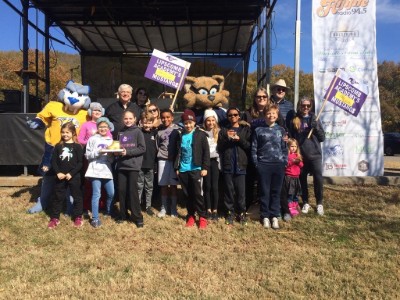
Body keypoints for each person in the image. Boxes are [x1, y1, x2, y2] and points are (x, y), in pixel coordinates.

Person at [251, 104, 288, 230]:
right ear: (265, 115)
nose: (271, 115)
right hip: (264, 165)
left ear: (277, 115)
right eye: (269, 113)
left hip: (278, 165)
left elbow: (284, 148)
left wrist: (284, 161)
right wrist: (257, 164)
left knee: (276, 192)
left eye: (273, 113)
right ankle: (265, 216)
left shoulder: (281, 130)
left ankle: (274, 216)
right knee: (264, 191)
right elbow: (254, 148)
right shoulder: (258, 130)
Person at [288, 97, 325, 216]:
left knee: (318, 179)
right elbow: (292, 137)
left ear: (311, 106)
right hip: (302, 155)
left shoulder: (315, 118)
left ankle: (319, 203)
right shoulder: (295, 120)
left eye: (308, 106)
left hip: (315, 155)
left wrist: (316, 128)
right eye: (303, 105)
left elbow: (322, 138)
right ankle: (305, 202)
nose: (305, 108)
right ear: (299, 106)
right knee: (302, 180)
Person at [175, 109, 210, 229]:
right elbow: (178, 152)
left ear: (194, 122)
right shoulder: (181, 135)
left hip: (196, 168)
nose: (188, 125)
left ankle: (203, 216)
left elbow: (206, 152)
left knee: (197, 194)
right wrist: (177, 167)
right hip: (184, 169)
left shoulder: (200, 134)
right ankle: (190, 215)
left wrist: (205, 167)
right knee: (187, 194)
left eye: (190, 122)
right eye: (185, 123)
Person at [217, 107, 251, 226]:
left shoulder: (245, 130)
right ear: (227, 117)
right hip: (227, 165)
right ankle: (230, 213)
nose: (233, 117)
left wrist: (239, 139)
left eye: (235, 115)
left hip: (241, 165)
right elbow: (219, 148)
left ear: (239, 116)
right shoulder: (223, 130)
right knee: (229, 191)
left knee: (241, 192)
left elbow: (249, 146)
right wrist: (227, 138)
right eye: (230, 115)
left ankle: (241, 213)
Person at [47, 122, 84, 229]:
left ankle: (77, 217)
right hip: (60, 177)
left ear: (73, 133)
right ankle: (54, 218)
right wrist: (58, 172)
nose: (65, 134)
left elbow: (80, 163)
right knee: (58, 197)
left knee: (77, 197)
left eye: (67, 132)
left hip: (74, 176)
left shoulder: (77, 147)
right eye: (63, 132)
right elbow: (53, 161)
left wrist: (71, 174)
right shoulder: (58, 146)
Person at [115, 111, 146, 227]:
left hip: (133, 166)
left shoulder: (138, 132)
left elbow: (142, 148)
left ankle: (137, 216)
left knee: (132, 192)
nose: (128, 121)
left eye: (130, 118)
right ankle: (123, 215)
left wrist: (128, 152)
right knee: (122, 191)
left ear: (135, 119)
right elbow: (118, 147)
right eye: (126, 119)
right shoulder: (121, 132)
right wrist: (116, 152)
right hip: (121, 166)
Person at [84, 117, 115, 228]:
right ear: (97, 128)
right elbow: (87, 156)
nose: (103, 129)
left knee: (111, 193)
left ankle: (108, 211)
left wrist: (112, 155)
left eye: (105, 127)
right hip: (95, 171)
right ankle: (95, 218)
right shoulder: (92, 139)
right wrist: (98, 152)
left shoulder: (110, 141)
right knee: (97, 194)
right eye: (101, 127)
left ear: (108, 128)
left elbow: (111, 160)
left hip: (107, 171)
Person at [156, 108, 180, 218]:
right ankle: (163, 207)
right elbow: (157, 145)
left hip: (173, 161)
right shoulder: (159, 131)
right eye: (163, 117)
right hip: (162, 160)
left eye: (168, 117)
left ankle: (173, 208)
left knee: (174, 185)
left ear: (172, 118)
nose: (165, 119)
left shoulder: (178, 130)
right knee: (164, 185)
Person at [138, 111, 158, 216]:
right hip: (140, 165)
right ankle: (137, 205)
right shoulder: (138, 133)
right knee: (139, 185)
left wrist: (155, 165)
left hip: (150, 165)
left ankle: (148, 206)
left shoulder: (155, 133)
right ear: (141, 122)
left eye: (149, 123)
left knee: (149, 186)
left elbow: (156, 150)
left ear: (152, 122)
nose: (147, 125)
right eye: (145, 122)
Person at [202, 109, 220, 220]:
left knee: (215, 186)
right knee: (207, 186)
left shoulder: (219, 131)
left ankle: (215, 209)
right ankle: (208, 208)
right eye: (208, 120)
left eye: (213, 120)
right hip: (205, 162)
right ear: (205, 121)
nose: (211, 123)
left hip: (215, 161)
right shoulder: (201, 132)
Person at [281, 138, 303, 221]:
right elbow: (286, 166)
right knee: (290, 194)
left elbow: (301, 165)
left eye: (295, 146)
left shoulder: (298, 155)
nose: (293, 148)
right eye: (292, 146)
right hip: (289, 178)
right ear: (288, 147)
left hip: (296, 177)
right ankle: (290, 208)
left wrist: (298, 161)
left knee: (295, 194)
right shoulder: (287, 156)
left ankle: (295, 205)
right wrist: (292, 162)